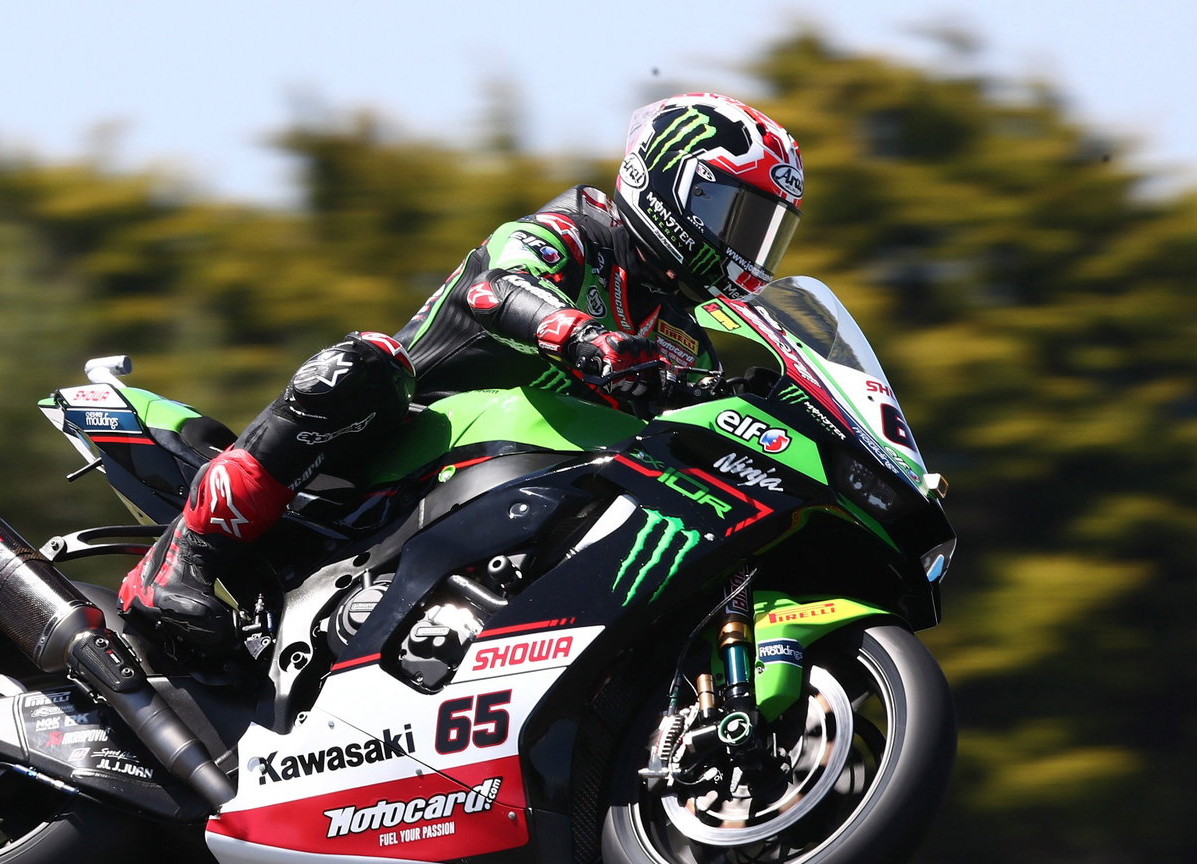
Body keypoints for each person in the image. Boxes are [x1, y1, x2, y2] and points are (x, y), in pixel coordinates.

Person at [118, 93, 804, 646]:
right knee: (362, 365)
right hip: (393, 449)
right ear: (669, 185)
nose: (745, 246)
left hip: (526, 493)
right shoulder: (572, 233)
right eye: (735, 216)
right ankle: (182, 558)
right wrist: (583, 337)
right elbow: (497, 288)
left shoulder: (689, 339)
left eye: (764, 231)